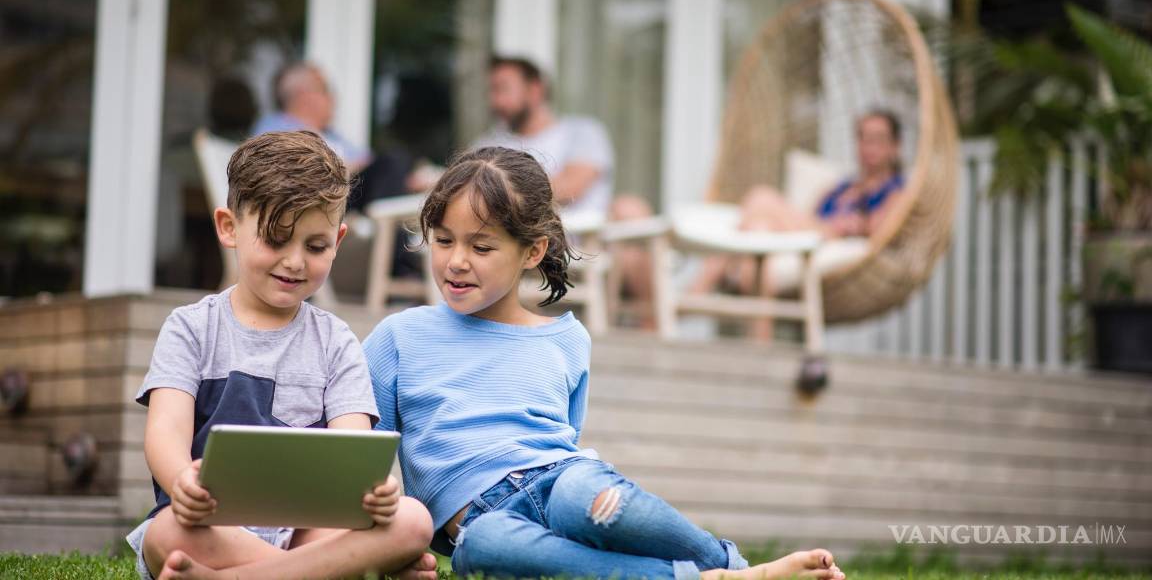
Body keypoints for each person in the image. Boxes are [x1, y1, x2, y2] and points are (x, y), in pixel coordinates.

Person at [363, 146, 847, 580]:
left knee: (584, 499)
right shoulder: (399, 337)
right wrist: (394, 541)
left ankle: (730, 565)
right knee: (485, 549)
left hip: (563, 484)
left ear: (533, 251)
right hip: (479, 524)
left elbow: (565, 440)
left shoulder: (567, 340)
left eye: (481, 246)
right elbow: (367, 457)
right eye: (444, 241)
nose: (456, 261)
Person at [125, 131, 437, 580]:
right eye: (275, 240)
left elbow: (352, 455)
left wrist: (375, 492)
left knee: (411, 520)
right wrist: (181, 480)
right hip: (210, 526)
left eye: (315, 247)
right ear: (229, 227)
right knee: (165, 535)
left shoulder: (336, 340)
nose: (294, 262)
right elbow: (165, 432)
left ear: (339, 239)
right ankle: (328, 573)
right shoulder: (191, 327)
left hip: (305, 528)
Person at [691, 109, 907, 300]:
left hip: (828, 238)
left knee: (761, 197)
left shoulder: (895, 191)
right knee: (759, 229)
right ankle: (760, 343)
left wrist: (851, 224)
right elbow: (811, 213)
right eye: (863, 138)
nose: (869, 147)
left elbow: (882, 232)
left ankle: (691, 299)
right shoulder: (845, 186)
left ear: (895, 146)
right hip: (812, 232)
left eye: (878, 139)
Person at [254, 62, 439, 210]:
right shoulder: (275, 126)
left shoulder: (333, 136)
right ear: (305, 95)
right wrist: (351, 166)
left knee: (395, 164)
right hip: (318, 200)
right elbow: (280, 172)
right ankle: (398, 255)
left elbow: (369, 162)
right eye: (326, 90)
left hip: (350, 195)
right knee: (392, 161)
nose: (333, 98)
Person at [473, 56, 615, 216]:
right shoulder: (488, 142)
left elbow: (570, 189)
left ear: (535, 90)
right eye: (491, 91)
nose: (495, 101)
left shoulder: (583, 132)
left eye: (503, 89)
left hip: (577, 239)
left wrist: (494, 192)